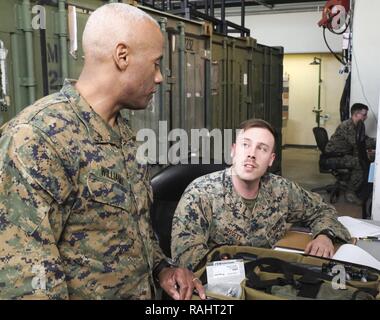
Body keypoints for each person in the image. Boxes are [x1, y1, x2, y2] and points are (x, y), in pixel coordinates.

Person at [0, 3, 205, 300]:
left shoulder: (122, 134)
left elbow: (132, 231)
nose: (159, 77)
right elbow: (26, 283)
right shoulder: (37, 139)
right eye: (156, 63)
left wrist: (162, 268)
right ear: (122, 56)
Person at [171, 119, 351, 270]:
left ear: (271, 160)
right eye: (245, 145)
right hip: (219, 288)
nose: (251, 154)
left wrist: (324, 235)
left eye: (262, 149)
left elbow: (322, 209)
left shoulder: (281, 189)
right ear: (233, 151)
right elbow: (186, 258)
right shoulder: (201, 192)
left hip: (269, 279)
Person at [325, 103, 376, 204]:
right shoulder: (347, 125)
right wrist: (375, 143)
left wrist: (375, 141)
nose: (365, 117)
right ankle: (350, 193)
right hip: (335, 155)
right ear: (356, 114)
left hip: (343, 153)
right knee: (360, 164)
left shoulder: (356, 125)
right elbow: (357, 142)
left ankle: (351, 184)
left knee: (363, 160)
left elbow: (363, 139)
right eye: (364, 114)